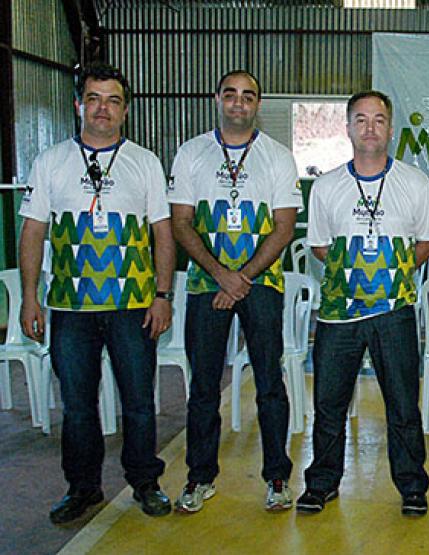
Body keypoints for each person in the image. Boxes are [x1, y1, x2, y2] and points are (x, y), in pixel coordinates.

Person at [18, 62, 175, 523]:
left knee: (140, 403)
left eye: (113, 100)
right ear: (78, 105)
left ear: (125, 111)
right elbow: (32, 232)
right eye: (94, 98)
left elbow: (162, 233)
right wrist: (30, 297)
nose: (102, 109)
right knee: (78, 406)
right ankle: (82, 488)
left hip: (133, 307)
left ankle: (145, 482)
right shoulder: (51, 162)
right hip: (71, 308)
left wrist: (162, 294)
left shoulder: (144, 162)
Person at [298, 90, 429, 517]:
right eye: (361, 120)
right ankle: (321, 483)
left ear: (390, 129)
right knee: (329, 403)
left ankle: (412, 486)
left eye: (379, 120)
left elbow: (428, 241)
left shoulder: (415, 183)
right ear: (348, 128)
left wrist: (388, 277)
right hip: (340, 314)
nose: (370, 128)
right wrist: (356, 275)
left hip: (394, 312)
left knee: (402, 403)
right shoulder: (326, 186)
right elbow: (319, 245)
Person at [168, 69, 301, 513]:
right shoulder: (191, 153)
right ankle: (199, 477)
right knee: (203, 386)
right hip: (207, 284)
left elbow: (284, 229)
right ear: (218, 99)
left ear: (258, 104)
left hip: (261, 284)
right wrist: (221, 274)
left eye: (248, 96)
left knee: (269, 384)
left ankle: (278, 477)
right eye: (231, 95)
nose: (239, 103)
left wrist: (240, 277)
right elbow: (181, 222)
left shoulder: (278, 157)